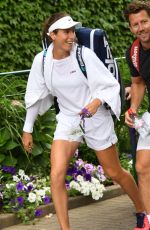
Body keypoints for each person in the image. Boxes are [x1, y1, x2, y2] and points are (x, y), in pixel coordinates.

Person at [22, 12, 145, 230]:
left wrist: (96, 102)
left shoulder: (84, 55)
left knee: (113, 172)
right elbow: (35, 94)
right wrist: (27, 129)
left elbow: (109, 86)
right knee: (56, 173)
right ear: (53, 35)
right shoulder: (41, 60)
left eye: (72, 31)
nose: (72, 36)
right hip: (69, 120)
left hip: (96, 118)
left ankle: (142, 210)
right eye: (66, 32)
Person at [124, 1, 150, 229]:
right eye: (135, 24)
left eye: (144, 21)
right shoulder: (134, 52)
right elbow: (138, 83)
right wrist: (133, 109)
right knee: (142, 167)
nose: (141, 28)